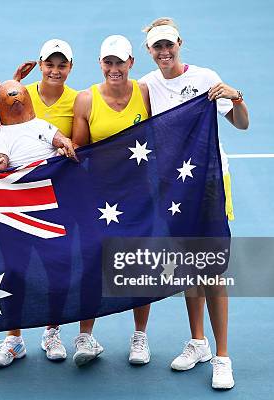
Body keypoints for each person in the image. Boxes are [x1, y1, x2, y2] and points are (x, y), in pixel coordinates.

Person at [138, 17, 249, 390]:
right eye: (158, 47)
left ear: (179, 43)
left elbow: (241, 124)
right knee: (190, 265)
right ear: (149, 51)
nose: (165, 52)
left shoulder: (204, 79)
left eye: (169, 45)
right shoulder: (147, 86)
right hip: (174, 188)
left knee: (212, 269)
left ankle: (223, 357)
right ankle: (198, 342)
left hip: (210, 184)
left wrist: (236, 96)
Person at [0, 39, 77, 367]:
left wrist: (65, 143)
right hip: (16, 213)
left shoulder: (42, 125)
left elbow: (58, 138)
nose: (14, 100)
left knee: (55, 270)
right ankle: (14, 340)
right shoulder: (4, 131)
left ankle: (52, 331)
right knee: (14, 272)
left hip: (51, 210)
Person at [71, 34, 152, 367]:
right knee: (93, 262)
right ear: (101, 64)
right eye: (109, 62)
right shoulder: (86, 100)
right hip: (100, 197)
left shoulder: (145, 94)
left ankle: (140, 337)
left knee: (138, 264)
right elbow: (78, 150)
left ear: (132, 62)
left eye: (121, 62)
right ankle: (86, 335)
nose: (114, 68)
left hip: (137, 195)